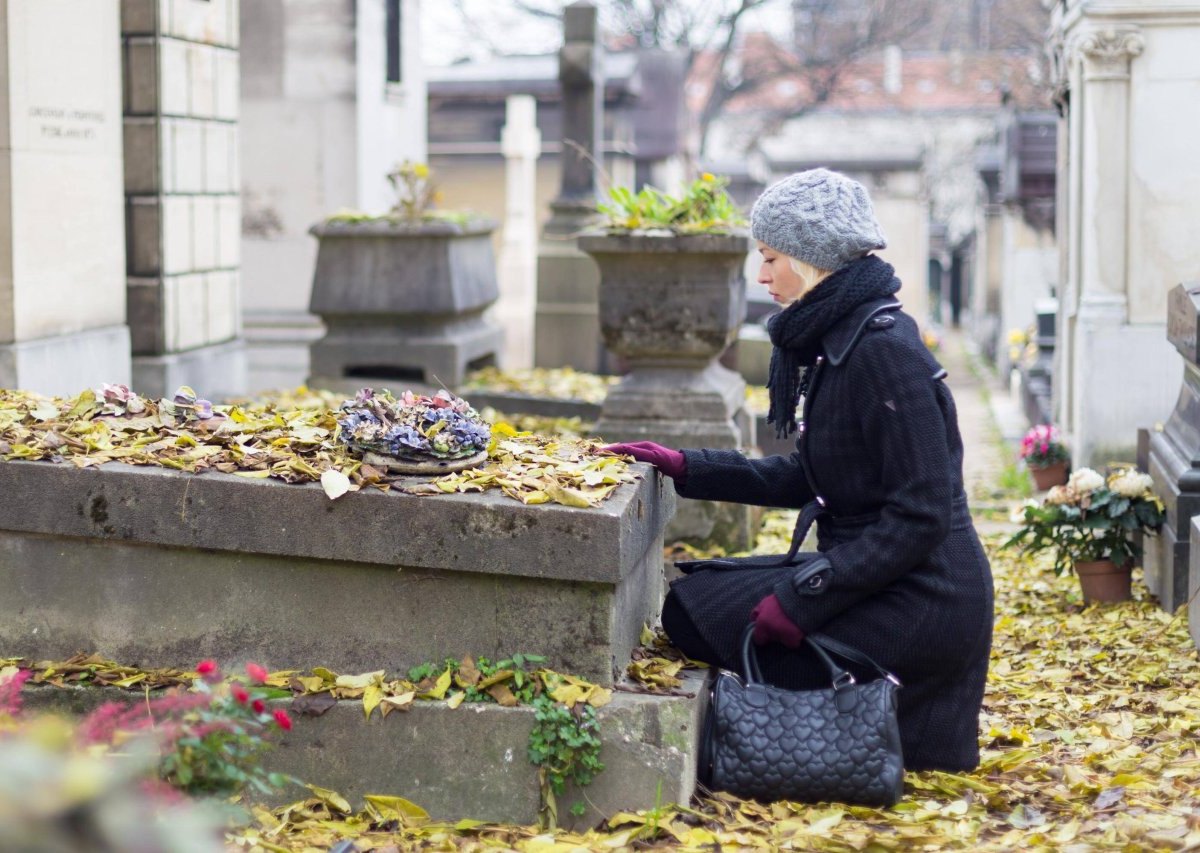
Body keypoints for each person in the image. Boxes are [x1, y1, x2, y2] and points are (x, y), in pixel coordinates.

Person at [606, 168, 994, 772]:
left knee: (707, 615)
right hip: (881, 573)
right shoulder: (847, 337)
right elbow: (817, 476)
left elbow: (922, 515)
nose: (762, 277)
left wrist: (806, 598)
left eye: (770, 258)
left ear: (813, 259)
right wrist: (686, 466)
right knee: (695, 597)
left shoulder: (884, 352)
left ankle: (865, 717)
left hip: (925, 597)